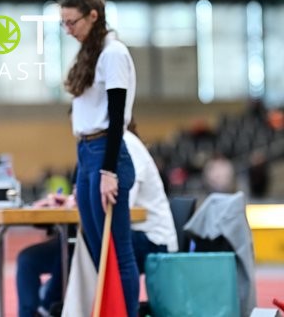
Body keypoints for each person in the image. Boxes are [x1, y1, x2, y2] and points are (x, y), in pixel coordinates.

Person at [16, 128, 177, 317]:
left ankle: (50, 308)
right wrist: (70, 201)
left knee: (78, 246)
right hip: (110, 233)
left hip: (151, 240)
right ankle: (41, 310)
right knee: (28, 259)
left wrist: (75, 203)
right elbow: (88, 197)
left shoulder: (126, 145)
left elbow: (119, 204)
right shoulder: (90, 147)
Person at [58, 0, 138, 317]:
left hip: (108, 153)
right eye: (63, 24)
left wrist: (108, 171)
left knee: (118, 251)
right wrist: (82, 174)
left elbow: (117, 116)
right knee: (94, 249)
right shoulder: (88, 55)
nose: (68, 30)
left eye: (72, 22)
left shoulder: (113, 53)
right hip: (87, 153)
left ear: (93, 15)